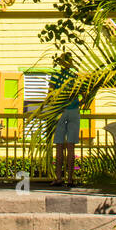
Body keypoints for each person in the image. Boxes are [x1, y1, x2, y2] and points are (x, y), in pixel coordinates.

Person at [50, 52, 81, 188]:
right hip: (73, 110)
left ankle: (59, 178)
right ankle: (69, 178)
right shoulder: (75, 75)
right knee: (70, 147)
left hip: (61, 111)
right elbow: (83, 92)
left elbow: (50, 93)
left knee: (60, 146)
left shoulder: (56, 75)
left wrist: (52, 106)